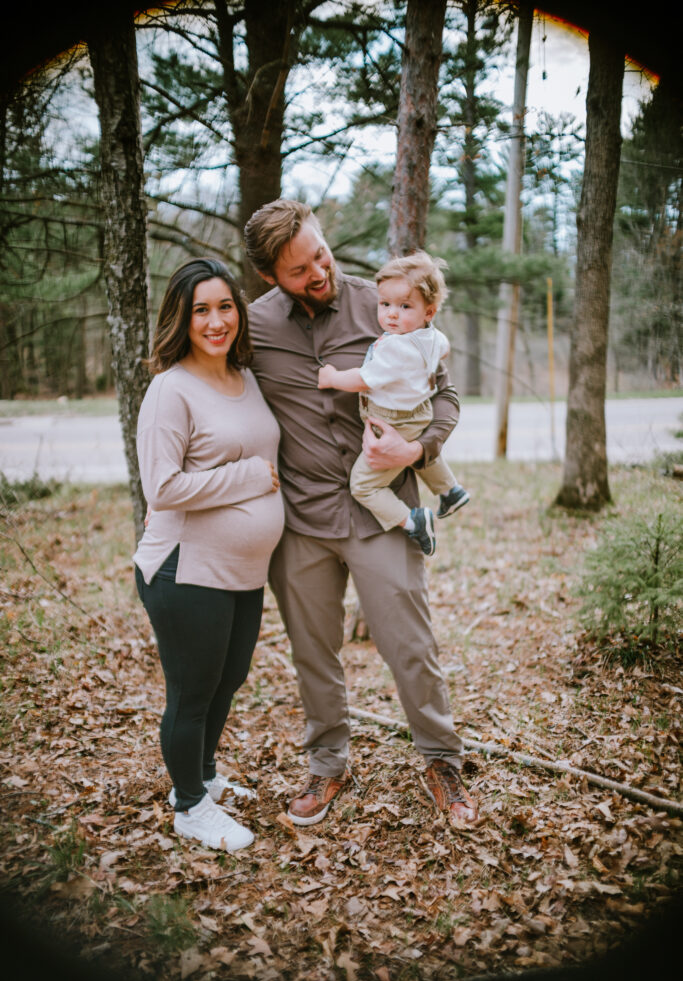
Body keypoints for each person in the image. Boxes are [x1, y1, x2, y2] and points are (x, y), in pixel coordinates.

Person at [244, 199, 478, 829]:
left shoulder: (388, 304)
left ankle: (441, 760)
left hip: (383, 510)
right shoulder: (254, 326)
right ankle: (328, 765)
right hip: (301, 519)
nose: (318, 272)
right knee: (312, 651)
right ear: (270, 276)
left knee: (410, 643)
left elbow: (446, 396)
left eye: (319, 254)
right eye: (298, 270)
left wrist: (418, 448)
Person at [133, 258, 285, 852]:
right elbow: (163, 489)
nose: (216, 320)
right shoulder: (171, 388)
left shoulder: (245, 378)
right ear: (182, 318)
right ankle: (190, 807)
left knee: (229, 678)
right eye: (202, 309)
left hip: (242, 570)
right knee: (193, 691)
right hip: (184, 566)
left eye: (226, 306)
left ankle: (203, 776)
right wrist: (247, 476)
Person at [317, 250, 469, 557]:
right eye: (385, 304)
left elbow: (363, 379)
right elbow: (445, 348)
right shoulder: (431, 336)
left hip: (390, 418)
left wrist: (332, 378)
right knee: (416, 447)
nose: (392, 314)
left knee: (363, 485)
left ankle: (412, 521)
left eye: (404, 306)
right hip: (419, 412)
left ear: (429, 311)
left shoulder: (396, 348)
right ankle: (450, 491)